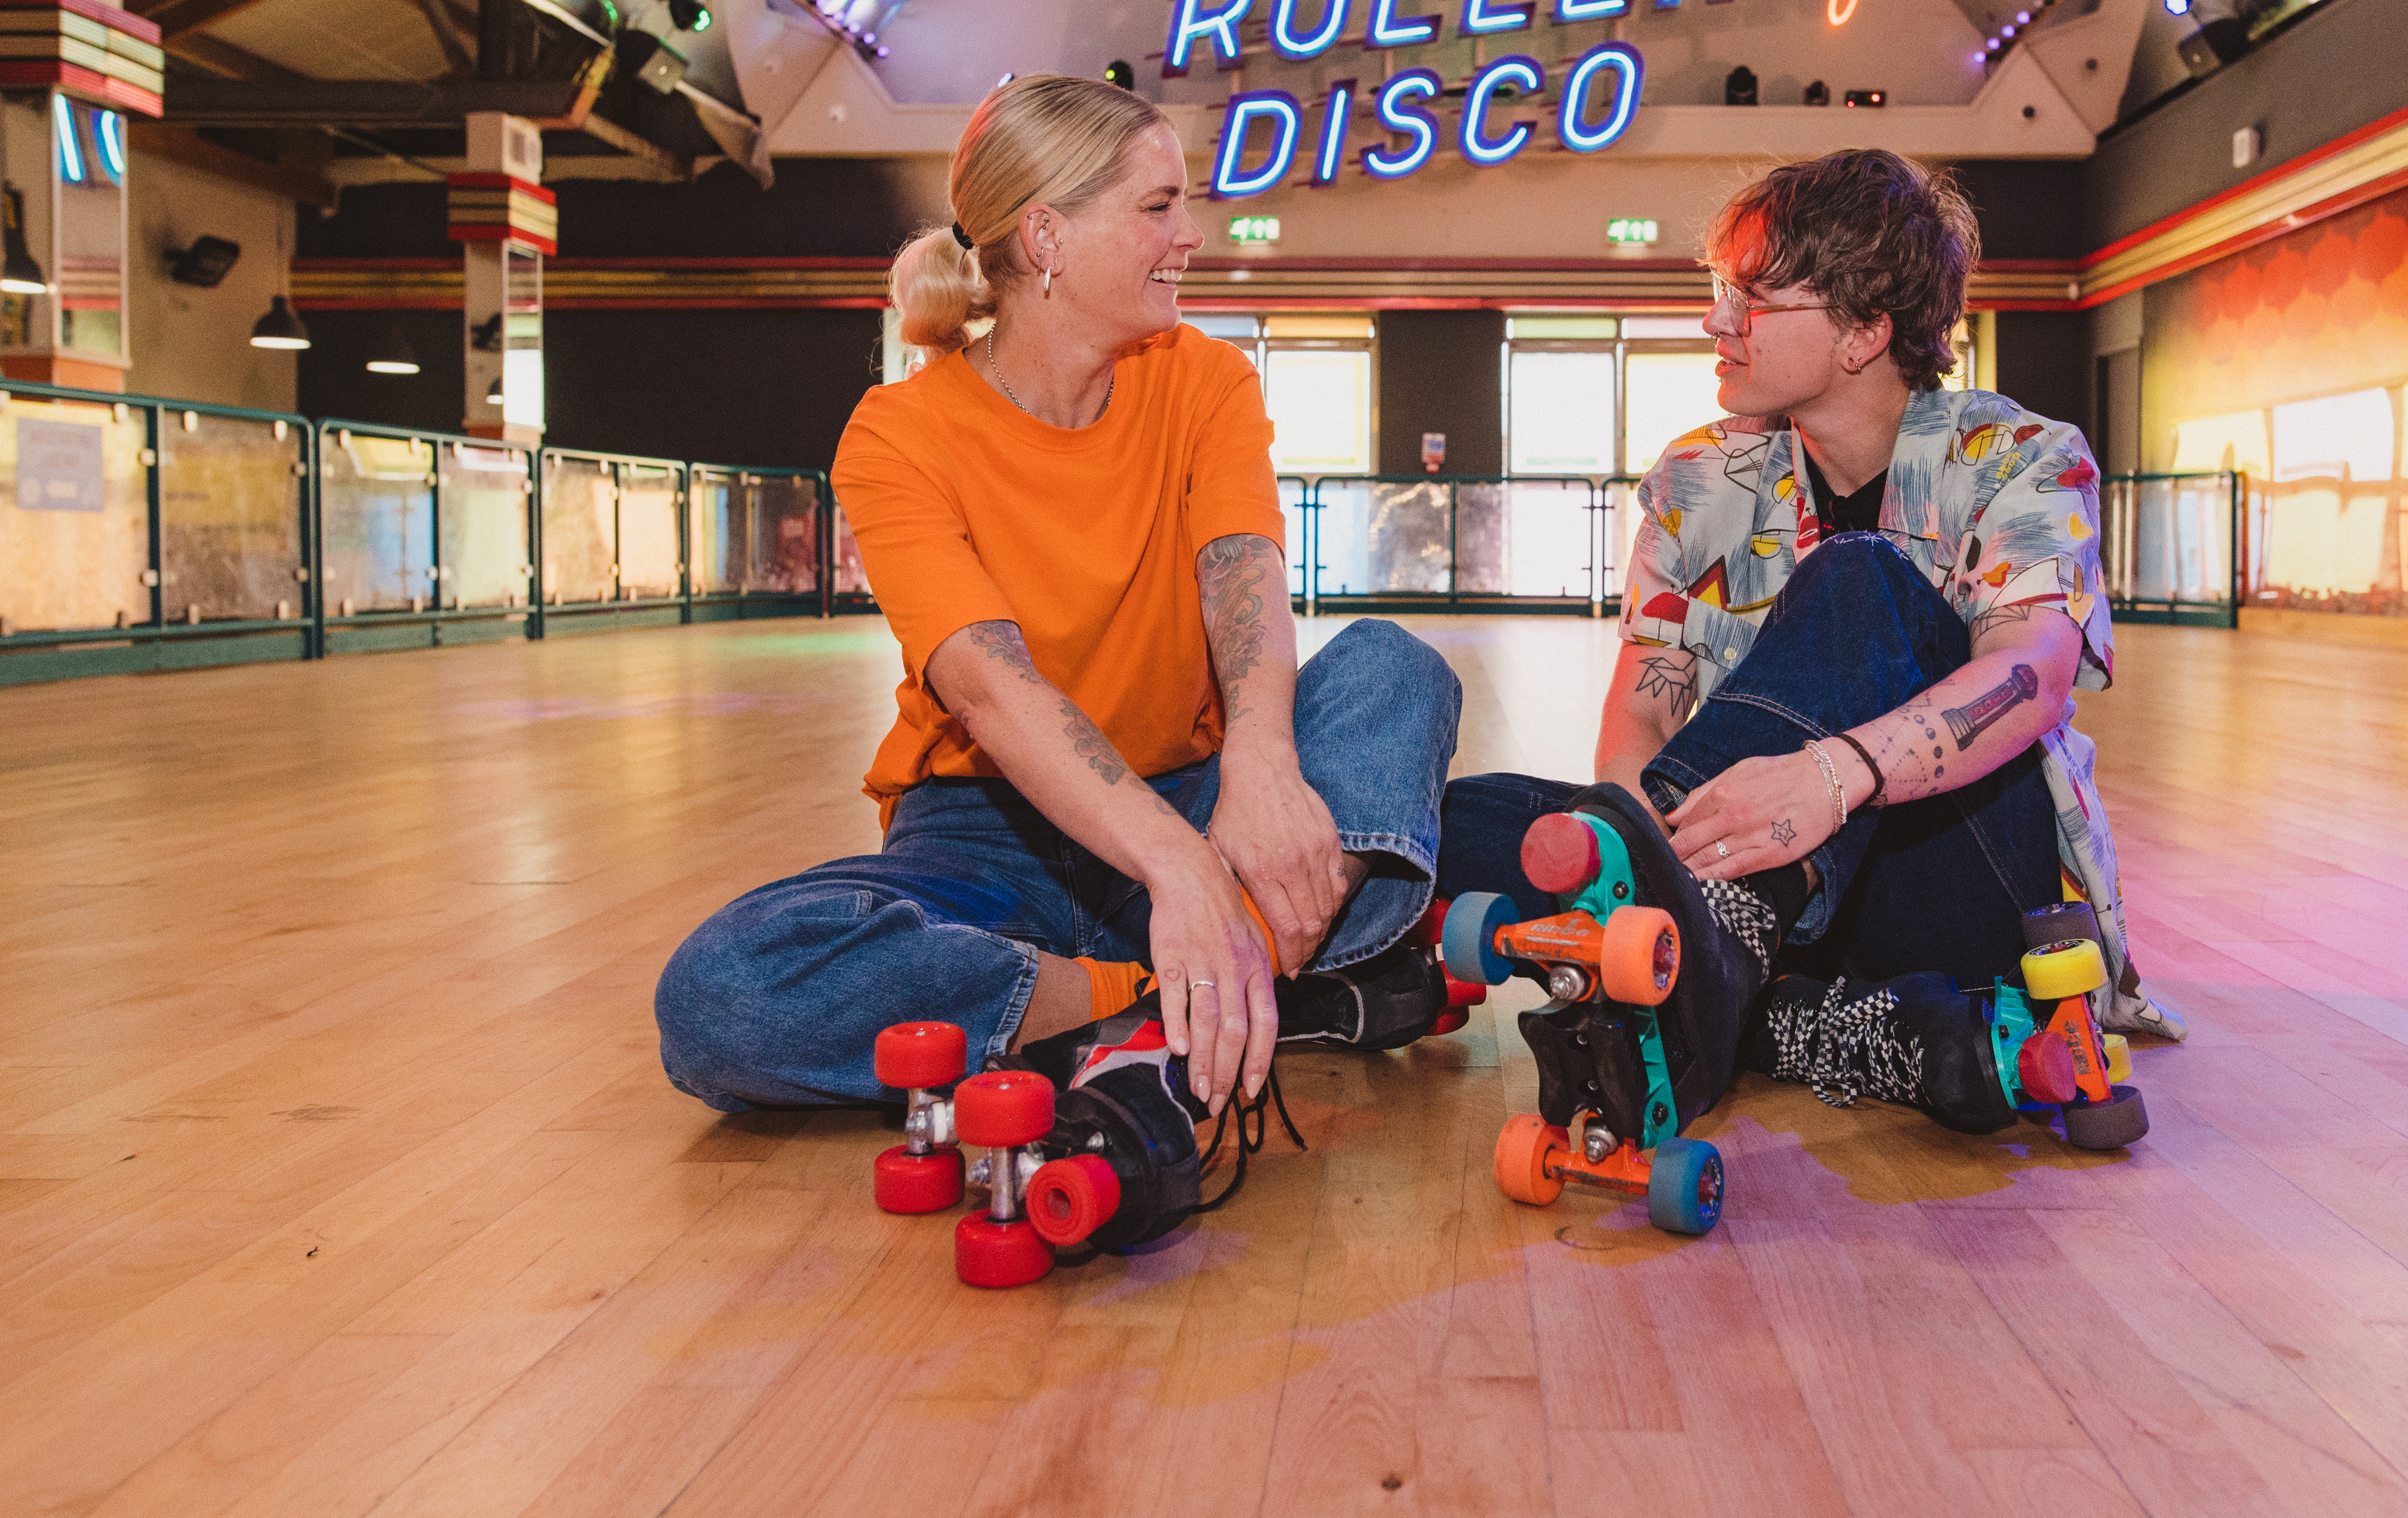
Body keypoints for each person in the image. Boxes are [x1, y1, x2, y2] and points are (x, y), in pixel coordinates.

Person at [656, 74, 1462, 1243]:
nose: (1191, 236)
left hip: (1196, 793)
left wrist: (1257, 759)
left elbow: (1244, 579)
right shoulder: (899, 433)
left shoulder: (1205, 376)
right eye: (1156, 207)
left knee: (1395, 667)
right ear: (1045, 235)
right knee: (717, 993)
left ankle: (1139, 988)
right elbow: (989, 685)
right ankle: (1197, 991)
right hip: (991, 837)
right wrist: (1187, 878)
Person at [1441, 147, 2182, 1139]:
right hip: (1773, 890)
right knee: (1454, 820)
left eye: (1753, 299)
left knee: (1859, 575)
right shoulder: (1701, 476)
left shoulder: (2022, 459)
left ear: (1865, 331)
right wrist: (1643, 841)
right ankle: (1795, 1010)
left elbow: (2032, 677)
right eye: (1718, 293)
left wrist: (1832, 778)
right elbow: (1647, 704)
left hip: (1960, 882)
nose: (1716, 322)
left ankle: (1695, 962)